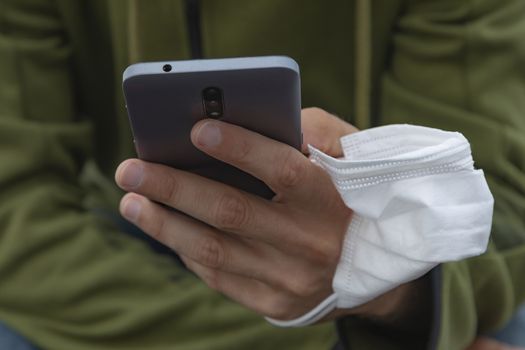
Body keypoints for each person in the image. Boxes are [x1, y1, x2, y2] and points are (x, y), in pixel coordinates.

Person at [0, 1, 524, 349]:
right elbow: (16, 213)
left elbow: (490, 213)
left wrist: (385, 281)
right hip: (119, 247)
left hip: (393, 269)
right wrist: (332, 338)